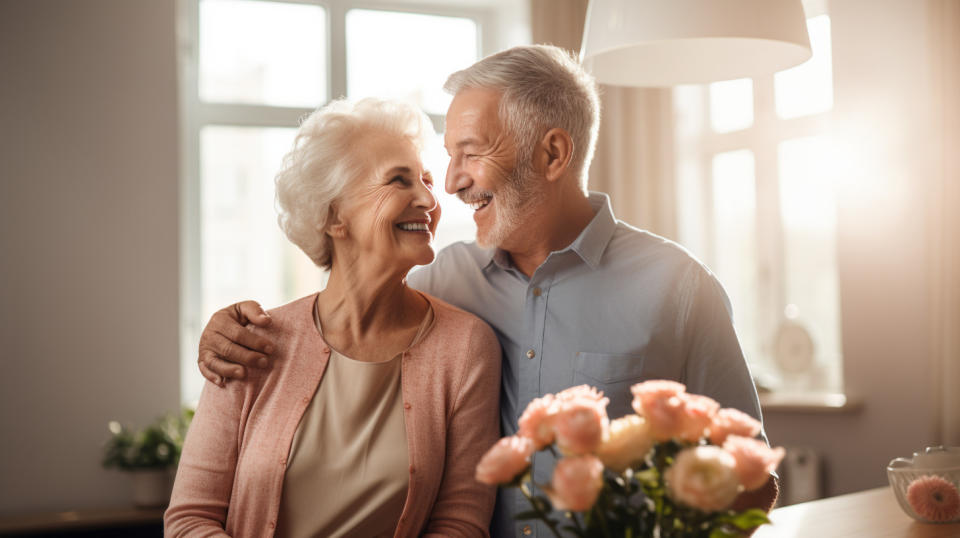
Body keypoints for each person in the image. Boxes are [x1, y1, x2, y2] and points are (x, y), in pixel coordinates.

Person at [195, 45, 778, 537]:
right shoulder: (442, 282)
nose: (450, 184)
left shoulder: (678, 289)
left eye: (469, 154)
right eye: (447, 158)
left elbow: (751, 479)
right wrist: (226, 332)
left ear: (553, 153)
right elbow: (347, 314)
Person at [165, 98, 502, 537]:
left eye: (425, 180)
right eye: (399, 181)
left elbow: (460, 524)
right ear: (334, 216)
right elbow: (190, 519)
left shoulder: (465, 347)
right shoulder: (249, 342)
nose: (428, 199)